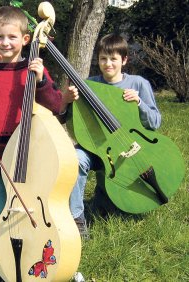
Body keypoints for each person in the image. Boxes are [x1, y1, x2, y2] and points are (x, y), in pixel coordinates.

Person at [0, 6, 79, 228]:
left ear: (26, 39)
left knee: (32, 207)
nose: (5, 42)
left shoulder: (33, 70)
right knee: (1, 209)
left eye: (12, 37)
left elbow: (56, 106)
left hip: (30, 155)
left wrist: (41, 82)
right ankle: (0, 256)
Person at [69, 33, 162, 237]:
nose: (108, 63)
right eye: (103, 58)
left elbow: (155, 123)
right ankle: (76, 219)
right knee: (75, 159)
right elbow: (73, 121)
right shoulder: (89, 85)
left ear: (124, 60)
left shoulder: (138, 84)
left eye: (113, 59)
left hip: (129, 147)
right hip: (97, 148)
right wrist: (69, 100)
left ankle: (110, 198)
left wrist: (139, 104)